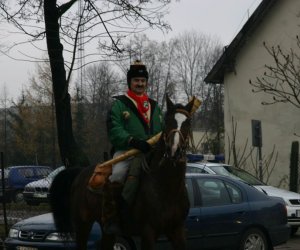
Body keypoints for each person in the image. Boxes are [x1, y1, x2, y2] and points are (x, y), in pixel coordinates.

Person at [104, 60, 163, 233]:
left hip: (151, 152)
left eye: (143, 81)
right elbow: (114, 129)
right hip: (127, 151)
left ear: (146, 83)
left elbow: (162, 129)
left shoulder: (155, 106)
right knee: (117, 175)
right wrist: (132, 141)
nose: (140, 84)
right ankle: (114, 217)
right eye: (136, 80)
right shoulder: (119, 104)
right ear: (130, 82)